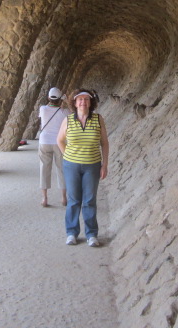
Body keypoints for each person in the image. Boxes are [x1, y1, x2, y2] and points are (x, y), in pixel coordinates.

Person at [57, 88, 109, 247]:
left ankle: (91, 234)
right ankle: (72, 233)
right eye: (80, 99)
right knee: (73, 200)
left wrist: (104, 164)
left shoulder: (98, 119)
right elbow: (60, 140)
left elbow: (104, 143)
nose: (83, 102)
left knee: (89, 200)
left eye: (86, 99)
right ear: (74, 103)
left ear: (91, 102)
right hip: (71, 165)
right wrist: (68, 156)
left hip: (92, 165)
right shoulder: (68, 120)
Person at [38, 87, 70, 207]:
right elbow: (72, 113)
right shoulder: (65, 112)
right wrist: (65, 101)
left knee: (44, 169)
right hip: (59, 142)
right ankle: (63, 198)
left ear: (48, 98)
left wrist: (55, 101)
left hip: (44, 141)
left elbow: (47, 107)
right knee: (62, 169)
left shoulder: (43, 109)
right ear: (60, 98)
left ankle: (44, 198)